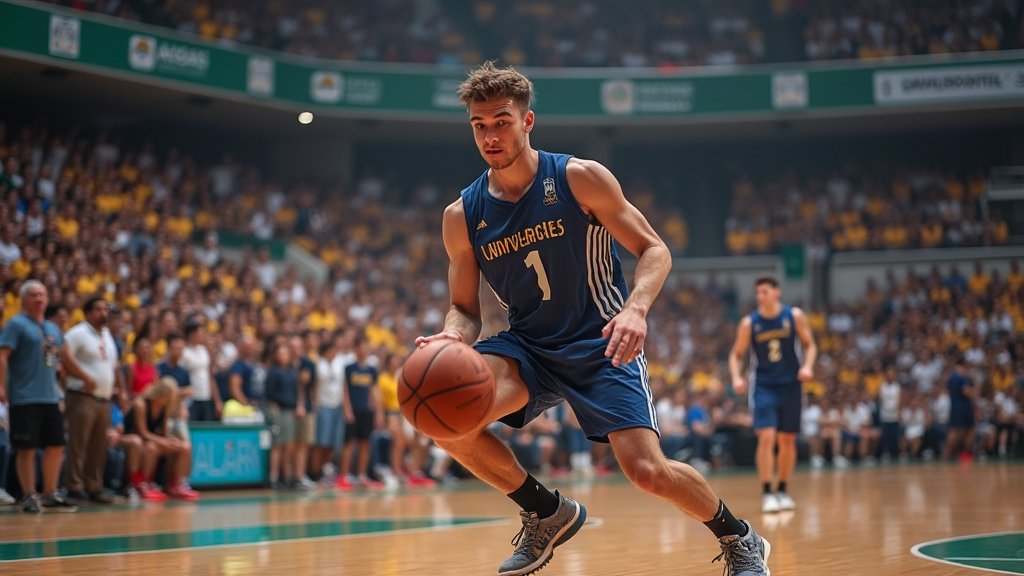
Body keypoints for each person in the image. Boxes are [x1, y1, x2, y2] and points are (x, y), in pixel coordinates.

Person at [415, 62, 769, 576]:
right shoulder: (462, 215)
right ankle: (545, 511)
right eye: (479, 125)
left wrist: (636, 310)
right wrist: (451, 337)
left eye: (502, 121)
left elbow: (654, 249)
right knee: (445, 419)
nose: (490, 135)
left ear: (528, 120)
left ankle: (739, 537)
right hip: (530, 347)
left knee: (647, 471)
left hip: (602, 340)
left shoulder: (579, 177)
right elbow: (465, 309)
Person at [0, 280, 93, 512]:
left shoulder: (52, 329)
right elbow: (3, 356)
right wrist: (1, 386)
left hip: (50, 397)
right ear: (23, 300)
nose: (39, 299)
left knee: (55, 445)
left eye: (42, 295)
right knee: (27, 448)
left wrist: (86, 378)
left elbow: (64, 359)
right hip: (24, 396)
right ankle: (30, 495)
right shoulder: (16, 324)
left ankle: (50, 494)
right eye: (33, 295)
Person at [729, 275, 816, 514]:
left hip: (791, 385)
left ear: (777, 292)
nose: (760, 296)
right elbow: (736, 354)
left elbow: (810, 344)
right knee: (766, 436)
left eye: (765, 291)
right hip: (764, 385)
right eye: (758, 293)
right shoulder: (750, 323)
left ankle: (783, 490)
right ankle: (767, 492)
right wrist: (737, 377)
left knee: (787, 440)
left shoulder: (794, 316)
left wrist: (807, 366)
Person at [63, 296, 124, 504]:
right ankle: (74, 487)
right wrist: (84, 377)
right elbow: (64, 357)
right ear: (87, 312)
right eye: (98, 309)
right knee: (79, 443)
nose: (103, 313)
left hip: (104, 399)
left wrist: (121, 390)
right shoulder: (77, 333)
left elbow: (114, 365)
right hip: (82, 396)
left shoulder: (107, 334)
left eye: (106, 309)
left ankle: (94, 486)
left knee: (99, 446)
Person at [124, 377, 199, 501]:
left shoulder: (164, 407)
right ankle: (144, 484)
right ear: (162, 394)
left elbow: (164, 433)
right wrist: (163, 441)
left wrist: (171, 440)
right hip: (134, 438)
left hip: (150, 439)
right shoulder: (141, 404)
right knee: (151, 447)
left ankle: (177, 484)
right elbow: (143, 433)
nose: (171, 400)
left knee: (184, 446)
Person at [943, 356, 975, 462]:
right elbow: (967, 392)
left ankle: (948, 453)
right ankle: (965, 454)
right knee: (968, 430)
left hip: (954, 405)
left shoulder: (951, 377)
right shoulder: (962, 377)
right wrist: (974, 393)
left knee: (954, 430)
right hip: (964, 407)